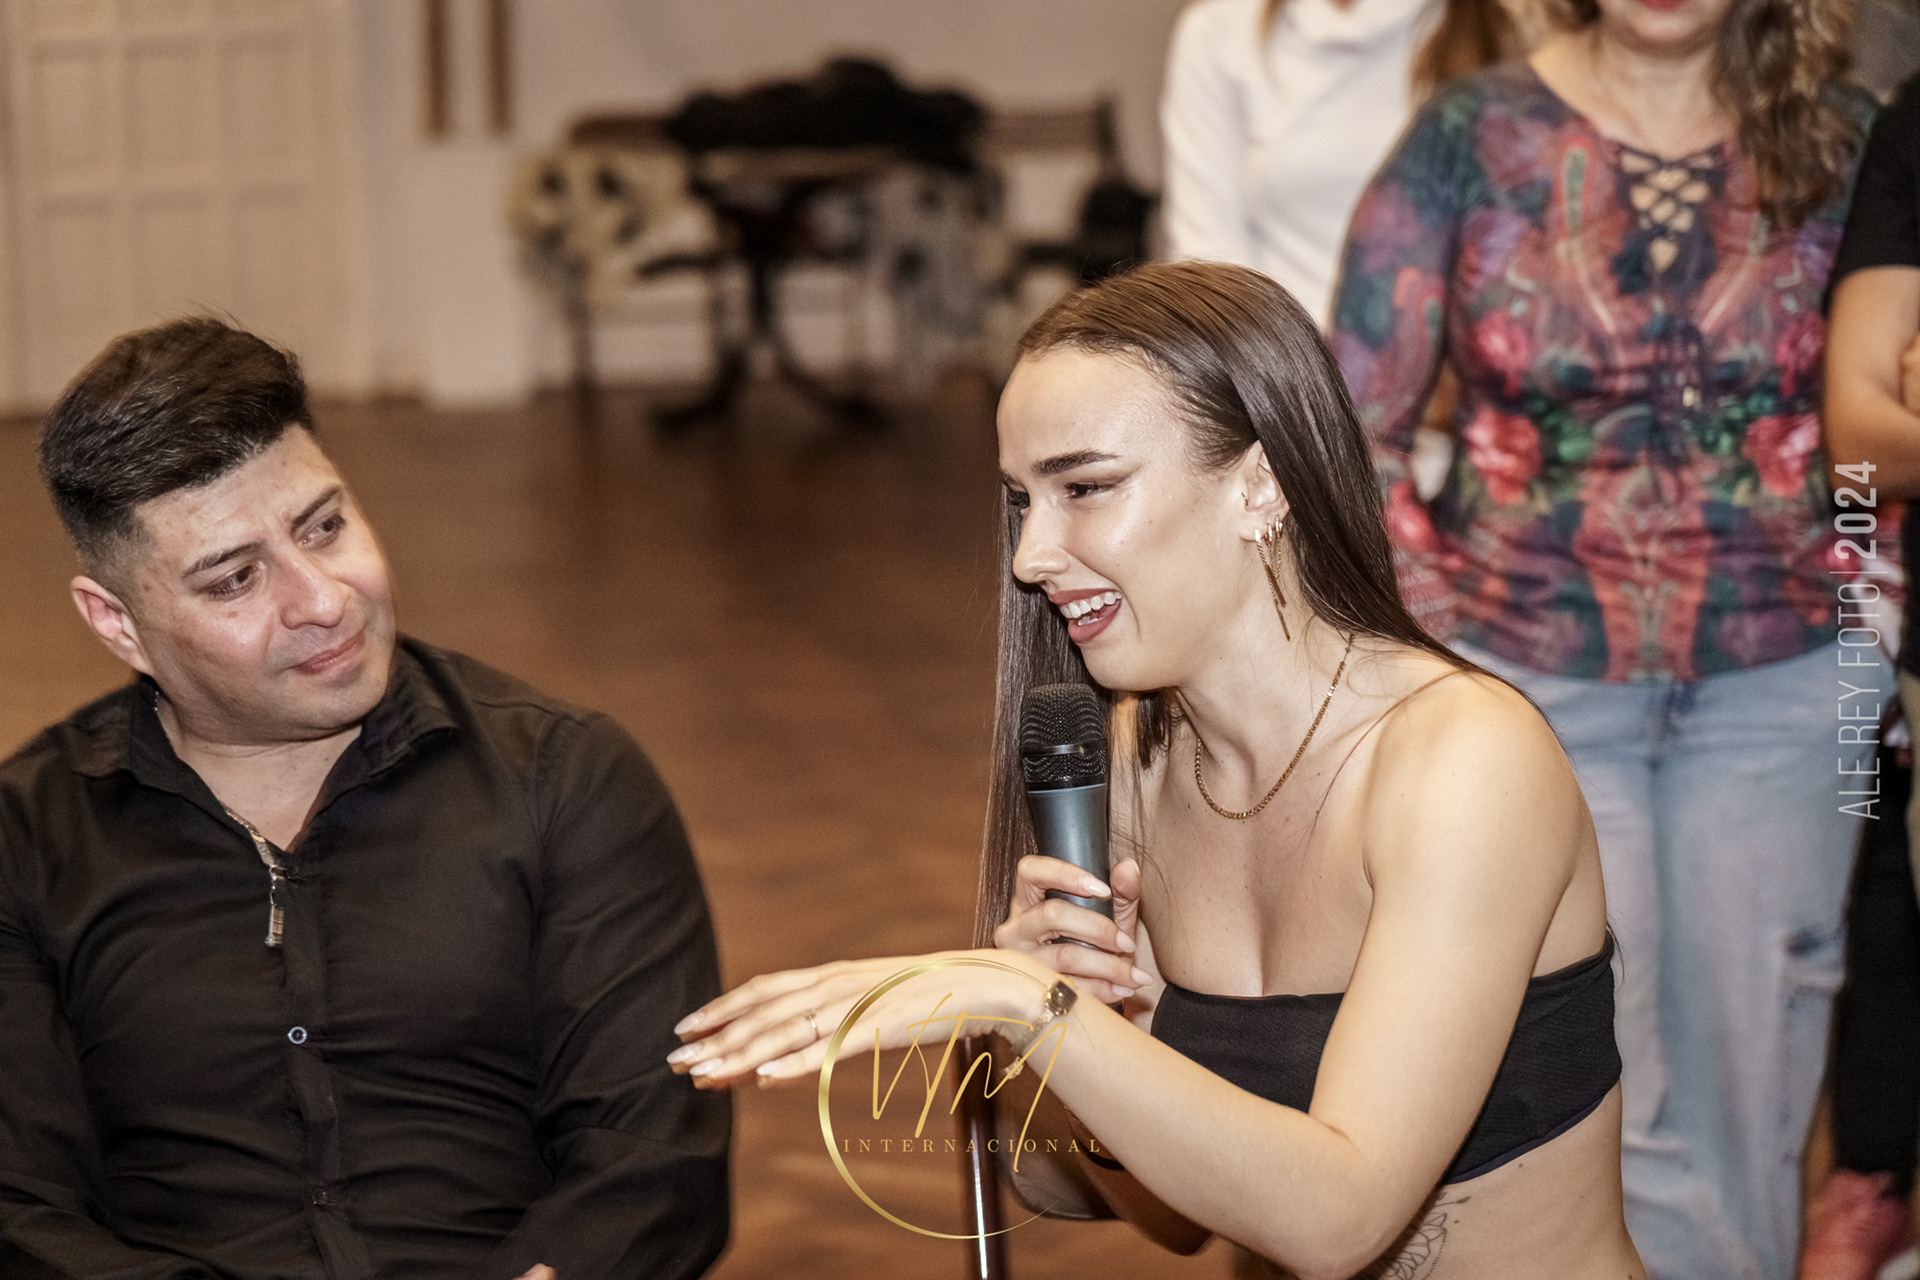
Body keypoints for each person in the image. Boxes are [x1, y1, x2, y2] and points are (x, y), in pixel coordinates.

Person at [668, 262, 1642, 1280]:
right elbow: (1132, 1206)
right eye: (1023, 502)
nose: (1031, 555)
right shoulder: (1138, 769)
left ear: (1261, 483)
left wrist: (1019, 1003)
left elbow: (1339, 1219)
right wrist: (1074, 1022)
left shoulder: (1462, 763)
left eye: (1086, 488)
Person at [1325, 0, 1882, 1271]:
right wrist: (1449, 644)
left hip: (1790, 683)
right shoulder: (1471, 135)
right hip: (1530, 683)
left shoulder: (1846, 138)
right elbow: (1350, 428)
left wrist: (1857, 602)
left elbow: (1885, 413)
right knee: (1595, 1071)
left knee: (1759, 1071)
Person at [0, 319, 730, 1279]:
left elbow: (652, 1162)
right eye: (236, 578)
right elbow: (20, 1210)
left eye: (324, 528)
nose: (323, 600)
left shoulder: (566, 779)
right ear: (118, 623)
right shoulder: (28, 838)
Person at [1812, 66, 1920, 1280]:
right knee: (1873, 844)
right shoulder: (1909, 120)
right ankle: (1875, 1166)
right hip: (1875, 608)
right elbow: (1864, 436)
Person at [1159, 0, 1525, 329]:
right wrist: (1294, 370)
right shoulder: (1220, 31)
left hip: (1441, 366)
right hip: (1277, 361)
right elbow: (1206, 262)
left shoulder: (1506, 29)